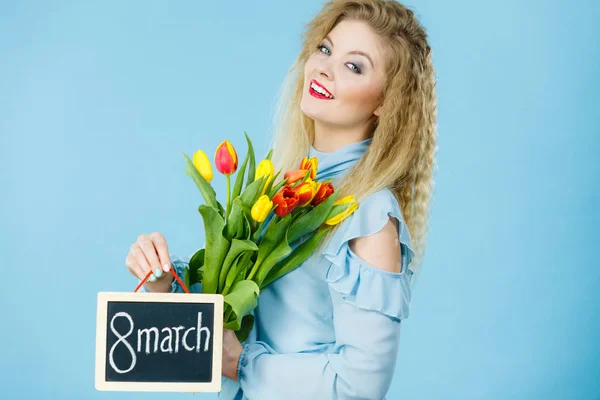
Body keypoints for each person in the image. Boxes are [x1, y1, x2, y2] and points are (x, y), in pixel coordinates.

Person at [125, 0, 437, 398]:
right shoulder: (284, 183)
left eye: (353, 65)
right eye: (325, 49)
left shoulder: (370, 214)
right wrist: (165, 282)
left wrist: (241, 364)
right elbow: (238, 314)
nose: (324, 66)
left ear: (383, 103)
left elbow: (360, 385)